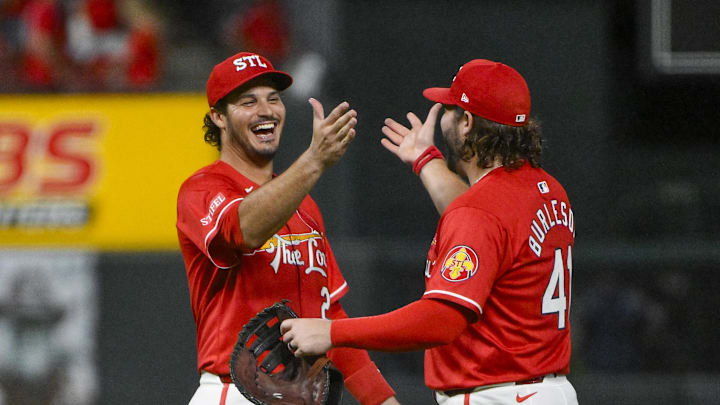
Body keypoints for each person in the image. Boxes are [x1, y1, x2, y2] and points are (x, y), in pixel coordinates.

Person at [281, 59, 579, 405]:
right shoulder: (547, 189)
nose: (445, 118)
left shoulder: (481, 210)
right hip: (545, 389)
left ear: (467, 123)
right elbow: (484, 220)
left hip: (498, 394)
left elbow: (441, 319)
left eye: (451, 109)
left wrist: (333, 332)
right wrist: (425, 159)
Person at [176, 51, 400, 405]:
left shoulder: (305, 205)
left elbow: (329, 319)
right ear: (218, 117)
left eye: (273, 99)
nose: (265, 110)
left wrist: (383, 401)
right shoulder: (202, 189)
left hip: (300, 396)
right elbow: (244, 230)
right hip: (234, 391)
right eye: (248, 101)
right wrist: (313, 161)